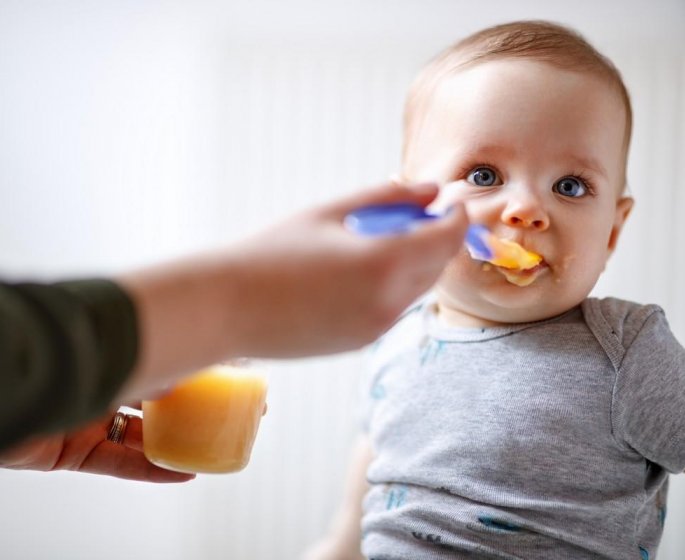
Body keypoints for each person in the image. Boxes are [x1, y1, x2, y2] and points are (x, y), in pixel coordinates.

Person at [304, 21, 685, 560]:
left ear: (613, 232)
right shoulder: (393, 342)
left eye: (570, 186)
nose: (527, 209)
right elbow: (363, 502)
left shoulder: (626, 351)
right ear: (412, 212)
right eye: (484, 175)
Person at [0, 181, 468, 481]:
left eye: (549, 184)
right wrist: (241, 299)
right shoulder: (406, 346)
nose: (523, 208)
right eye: (483, 176)